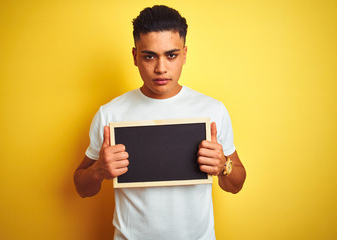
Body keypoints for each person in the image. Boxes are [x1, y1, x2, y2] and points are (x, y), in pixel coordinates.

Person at [74, 5, 246, 240]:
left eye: (171, 55)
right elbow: (82, 188)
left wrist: (223, 165)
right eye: (149, 56)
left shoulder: (212, 110)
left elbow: (236, 184)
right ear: (135, 56)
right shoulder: (110, 114)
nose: (161, 68)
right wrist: (98, 171)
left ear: (184, 54)